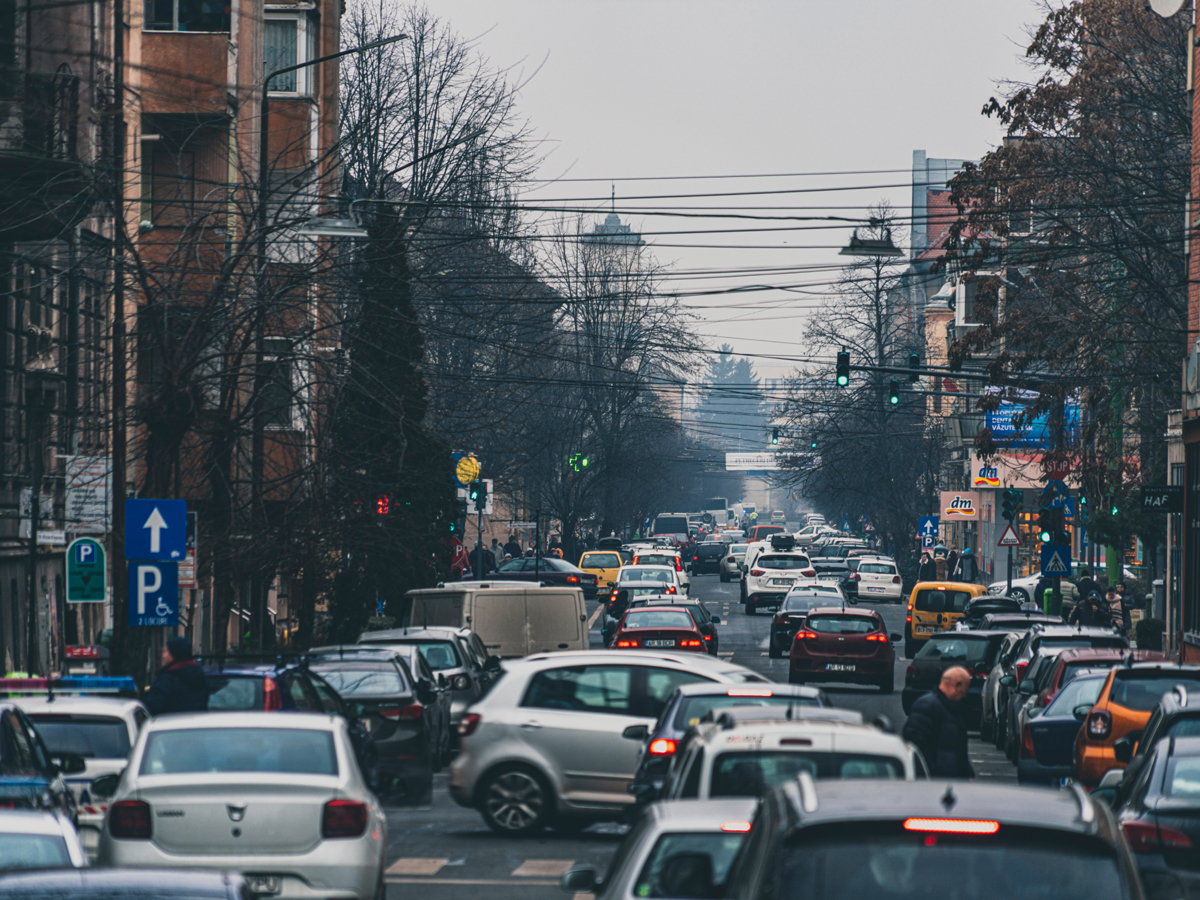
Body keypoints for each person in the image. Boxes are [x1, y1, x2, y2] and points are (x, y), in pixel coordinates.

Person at [901, 666, 974, 778]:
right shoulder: (927, 706)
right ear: (957, 685)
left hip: (948, 781)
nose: (964, 695)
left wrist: (966, 772)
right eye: (965, 689)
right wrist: (932, 771)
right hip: (935, 782)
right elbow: (914, 742)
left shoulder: (951, 708)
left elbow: (958, 749)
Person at [145, 636, 209, 716]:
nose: (163, 655)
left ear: (174, 654)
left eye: (166, 651)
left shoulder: (167, 679)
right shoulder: (200, 675)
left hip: (170, 724)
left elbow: (152, 707)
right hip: (196, 725)